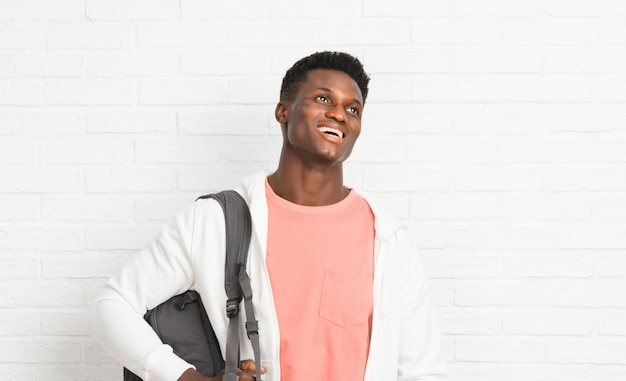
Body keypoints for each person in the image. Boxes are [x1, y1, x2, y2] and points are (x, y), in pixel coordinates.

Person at [89, 51, 449, 381]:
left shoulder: (387, 240)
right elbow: (112, 305)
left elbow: (423, 370)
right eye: (323, 98)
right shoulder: (217, 222)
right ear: (283, 111)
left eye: (353, 109)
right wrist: (185, 378)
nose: (339, 114)